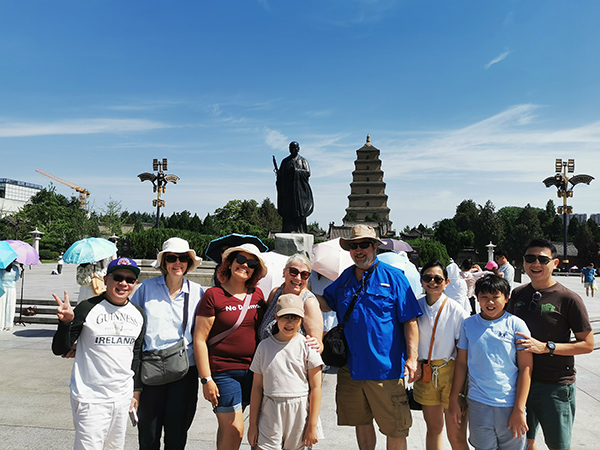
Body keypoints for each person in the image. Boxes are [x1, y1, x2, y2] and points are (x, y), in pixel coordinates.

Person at [318, 225, 421, 450]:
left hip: (385, 369)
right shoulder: (345, 278)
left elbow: (410, 320)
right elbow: (326, 303)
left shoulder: (394, 278)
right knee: (361, 422)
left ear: (375, 246)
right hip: (351, 369)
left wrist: (412, 359)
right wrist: (301, 291)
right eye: (354, 246)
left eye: (364, 244)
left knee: (395, 427)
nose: (358, 250)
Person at [506, 238, 594, 450]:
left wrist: (548, 347)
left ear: (554, 263)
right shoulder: (518, 294)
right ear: (523, 262)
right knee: (524, 441)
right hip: (520, 383)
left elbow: (587, 344)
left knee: (559, 445)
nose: (536, 263)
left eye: (542, 259)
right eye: (530, 258)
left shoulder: (568, 298)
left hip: (554, 385)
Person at [51, 257, 146, 450]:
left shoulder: (138, 314)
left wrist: (135, 392)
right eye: (118, 277)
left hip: (121, 396)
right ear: (106, 279)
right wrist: (65, 323)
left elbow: (136, 355)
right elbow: (60, 348)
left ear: (135, 283)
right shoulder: (88, 307)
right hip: (90, 397)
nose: (123, 283)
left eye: (129, 280)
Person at [130, 237, 204, 450]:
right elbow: (131, 323)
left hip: (184, 370)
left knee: (177, 432)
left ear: (189, 262)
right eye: (171, 258)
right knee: (148, 433)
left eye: (182, 258)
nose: (177, 263)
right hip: (151, 369)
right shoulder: (146, 289)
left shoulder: (198, 292)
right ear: (163, 262)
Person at [194, 243, 268, 450]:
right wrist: (206, 379)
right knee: (235, 428)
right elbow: (200, 339)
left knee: (228, 430)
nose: (245, 265)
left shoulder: (258, 296)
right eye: (241, 260)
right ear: (230, 263)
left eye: (251, 263)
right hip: (223, 372)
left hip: (253, 372)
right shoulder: (213, 295)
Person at [449, 275, 533, 450]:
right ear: (477, 298)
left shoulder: (516, 325)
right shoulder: (468, 325)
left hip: (509, 403)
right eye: (484, 297)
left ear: (506, 297)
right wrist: (455, 397)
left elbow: (526, 368)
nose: (490, 302)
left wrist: (519, 408)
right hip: (478, 402)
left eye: (496, 297)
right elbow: (462, 364)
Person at [248, 293, 324, 450]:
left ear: (302, 319)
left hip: (299, 411)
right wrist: (252, 425)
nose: (290, 322)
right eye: (285, 317)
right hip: (271, 409)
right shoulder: (264, 347)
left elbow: (316, 387)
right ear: (276, 316)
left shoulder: (308, 346)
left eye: (295, 318)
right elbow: (256, 387)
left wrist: (312, 425)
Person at [415, 261, 469, 450]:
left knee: (456, 433)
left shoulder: (456, 310)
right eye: (427, 278)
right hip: (426, 371)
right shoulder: (415, 306)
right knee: (434, 428)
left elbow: (462, 347)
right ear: (421, 281)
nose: (432, 282)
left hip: (451, 371)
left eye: (438, 279)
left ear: (446, 282)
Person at [258, 253, 323, 350]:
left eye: (304, 274)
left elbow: (318, 345)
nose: (298, 278)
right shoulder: (276, 293)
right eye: (293, 272)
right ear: (284, 272)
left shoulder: (309, 303)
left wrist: (316, 345)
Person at [274, 141, 314, 233]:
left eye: (295, 148)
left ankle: (300, 230)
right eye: (291, 148)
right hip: (288, 192)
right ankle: (288, 229)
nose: (293, 150)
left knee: (299, 213)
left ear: (298, 149)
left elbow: (307, 173)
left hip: (299, 193)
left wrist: (296, 171)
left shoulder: (303, 161)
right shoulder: (285, 161)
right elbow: (281, 176)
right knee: (288, 212)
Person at [0, 261, 20, 331]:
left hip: (2, 288)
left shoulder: (1, 268)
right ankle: (8, 324)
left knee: (1, 306)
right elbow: (17, 277)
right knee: (10, 306)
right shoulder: (15, 268)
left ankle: (1, 324)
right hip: (11, 288)